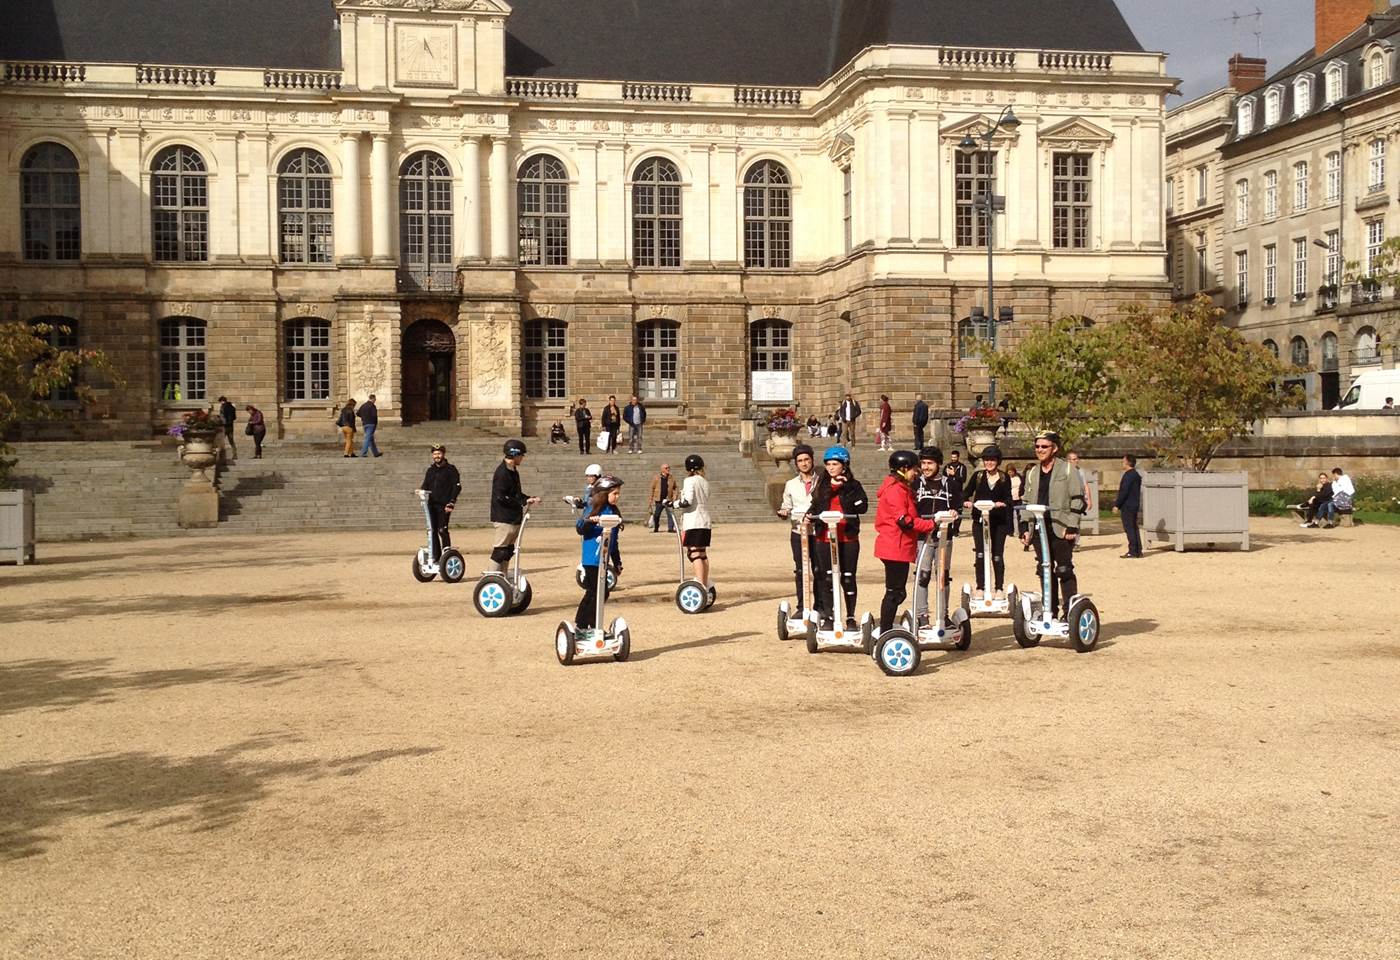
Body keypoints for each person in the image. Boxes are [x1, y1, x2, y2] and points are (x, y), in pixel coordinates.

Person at [1021, 431, 1087, 619]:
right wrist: (1025, 528)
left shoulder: (1067, 470)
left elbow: (1077, 500)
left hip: (1060, 527)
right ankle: (1049, 609)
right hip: (1039, 527)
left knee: (1064, 569)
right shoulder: (1032, 472)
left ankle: (1070, 611)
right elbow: (1026, 501)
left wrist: (1072, 527)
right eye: (1037, 446)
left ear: (1055, 448)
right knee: (1044, 569)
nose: (1040, 450)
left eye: (1044, 446)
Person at [874, 450, 936, 632]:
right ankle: (885, 630)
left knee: (897, 591)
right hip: (895, 546)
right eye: (913, 469)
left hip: (898, 546)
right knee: (895, 592)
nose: (916, 473)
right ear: (903, 469)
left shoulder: (900, 488)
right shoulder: (895, 490)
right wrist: (930, 524)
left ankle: (887, 627)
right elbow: (904, 520)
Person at [810, 446, 868, 632]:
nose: (831, 468)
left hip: (847, 537)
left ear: (844, 465)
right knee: (827, 577)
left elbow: (862, 506)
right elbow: (815, 505)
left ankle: (850, 617)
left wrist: (847, 487)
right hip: (825, 537)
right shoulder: (822, 485)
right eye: (828, 464)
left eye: (835, 464)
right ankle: (829, 616)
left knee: (848, 577)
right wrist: (810, 515)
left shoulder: (854, 485)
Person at [912, 446, 963, 629]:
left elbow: (958, 507)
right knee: (922, 575)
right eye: (923, 463)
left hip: (944, 537)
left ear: (938, 464)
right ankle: (922, 616)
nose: (926, 467)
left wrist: (954, 516)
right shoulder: (916, 484)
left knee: (943, 576)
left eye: (930, 463)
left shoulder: (950, 484)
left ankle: (943, 615)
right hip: (922, 536)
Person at [574, 475, 624, 640]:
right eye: (614, 493)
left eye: (618, 493)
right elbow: (580, 528)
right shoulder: (594, 508)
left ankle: (591, 626)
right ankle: (582, 626)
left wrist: (617, 562)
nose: (617, 496)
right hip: (591, 560)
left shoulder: (613, 512)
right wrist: (590, 521)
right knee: (597, 592)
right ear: (604, 493)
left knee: (598, 592)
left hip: (604, 560)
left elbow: (614, 541)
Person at [967, 445, 1014, 600]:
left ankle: (999, 588)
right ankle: (981, 587)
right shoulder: (978, 476)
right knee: (980, 554)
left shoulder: (1003, 478)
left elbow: (1009, 498)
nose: (989, 463)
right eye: (987, 460)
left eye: (992, 460)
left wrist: (1003, 503)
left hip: (998, 522)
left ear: (998, 461)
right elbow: (965, 492)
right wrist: (966, 502)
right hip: (980, 520)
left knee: (997, 555)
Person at [777, 443, 819, 611]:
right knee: (801, 570)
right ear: (796, 463)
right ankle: (802, 606)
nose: (804, 463)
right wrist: (783, 512)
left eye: (806, 459)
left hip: (818, 532)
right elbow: (786, 505)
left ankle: (820, 606)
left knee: (819, 569)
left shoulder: (822, 481)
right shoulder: (791, 484)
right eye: (800, 460)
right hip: (798, 532)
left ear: (812, 460)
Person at [489, 439, 540, 573]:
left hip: (513, 517)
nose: (522, 458)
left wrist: (528, 498)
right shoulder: (502, 472)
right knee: (500, 551)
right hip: (504, 518)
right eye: (521, 455)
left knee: (508, 550)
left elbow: (515, 494)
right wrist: (522, 502)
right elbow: (501, 496)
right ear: (514, 454)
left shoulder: (513, 471)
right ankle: (491, 577)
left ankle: (503, 576)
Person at [672, 454, 714, 599]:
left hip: (693, 521)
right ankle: (705, 582)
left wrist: (673, 504)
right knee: (702, 553)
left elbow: (687, 501)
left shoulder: (689, 480)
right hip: (705, 522)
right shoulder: (705, 482)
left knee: (694, 553)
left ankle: (700, 585)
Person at [419, 444, 460, 562]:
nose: (437, 456)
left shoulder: (451, 469)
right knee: (431, 531)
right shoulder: (430, 470)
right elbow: (425, 485)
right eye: (435, 454)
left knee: (442, 530)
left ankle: (446, 555)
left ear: (443, 454)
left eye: (439, 453)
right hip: (431, 505)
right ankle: (435, 556)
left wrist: (451, 502)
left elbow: (456, 487)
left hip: (444, 505)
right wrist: (421, 490)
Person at [1112, 454, 1143, 558]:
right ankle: (1138, 550)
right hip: (1134, 504)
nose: (1122, 463)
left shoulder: (1128, 475)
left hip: (1128, 506)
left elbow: (1124, 491)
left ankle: (1133, 551)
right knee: (1134, 527)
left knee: (1129, 528)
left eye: (1123, 461)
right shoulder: (1136, 475)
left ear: (1127, 462)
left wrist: (1117, 505)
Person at [648, 462, 676, 533]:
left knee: (670, 514)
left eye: (668, 467)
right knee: (656, 514)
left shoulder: (671, 477)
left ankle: (670, 528)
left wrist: (675, 497)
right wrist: (650, 499)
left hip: (668, 499)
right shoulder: (656, 478)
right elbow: (652, 488)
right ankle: (656, 526)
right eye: (666, 468)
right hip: (659, 500)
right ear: (662, 470)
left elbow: (675, 488)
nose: (668, 469)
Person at [357, 394, 381, 458]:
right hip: (371, 424)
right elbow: (374, 415)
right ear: (373, 399)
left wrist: (364, 417)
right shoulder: (372, 406)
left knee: (370, 439)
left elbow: (358, 413)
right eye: (375, 399)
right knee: (368, 438)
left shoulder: (363, 405)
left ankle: (376, 453)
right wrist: (375, 423)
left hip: (365, 423)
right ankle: (363, 453)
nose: (375, 401)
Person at [218, 396, 238, 460]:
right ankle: (235, 454)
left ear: (222, 401)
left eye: (220, 401)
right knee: (231, 441)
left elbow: (222, 416)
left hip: (224, 426)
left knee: (221, 441)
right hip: (230, 426)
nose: (220, 403)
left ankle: (221, 456)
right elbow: (234, 417)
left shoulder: (224, 407)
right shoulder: (232, 407)